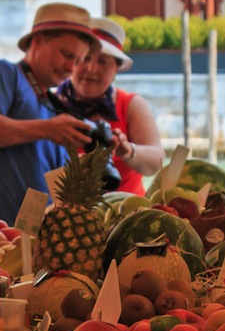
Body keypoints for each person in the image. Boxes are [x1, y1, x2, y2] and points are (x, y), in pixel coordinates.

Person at [0, 2, 98, 223]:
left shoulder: (54, 106)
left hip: (39, 236)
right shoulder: (1, 73)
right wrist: (47, 129)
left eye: (78, 61)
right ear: (38, 40)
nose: (70, 68)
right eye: (66, 54)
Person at [53, 17, 163, 197]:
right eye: (85, 58)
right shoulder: (50, 104)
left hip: (125, 213)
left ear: (115, 70)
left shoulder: (131, 105)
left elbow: (156, 161)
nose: (91, 69)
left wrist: (128, 151)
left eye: (103, 62)